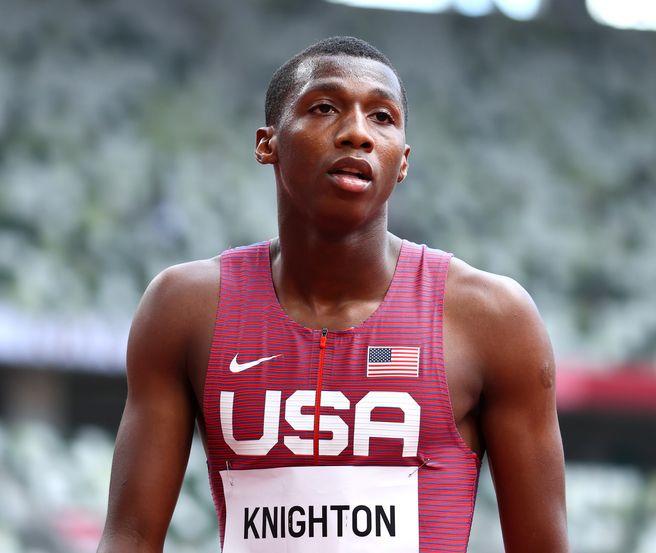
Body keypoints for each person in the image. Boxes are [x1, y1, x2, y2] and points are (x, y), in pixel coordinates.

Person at [97, 36, 567, 553]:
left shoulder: (491, 317)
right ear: (267, 144)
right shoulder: (185, 307)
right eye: (324, 108)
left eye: (382, 117)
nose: (357, 133)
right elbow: (130, 537)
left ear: (402, 161)